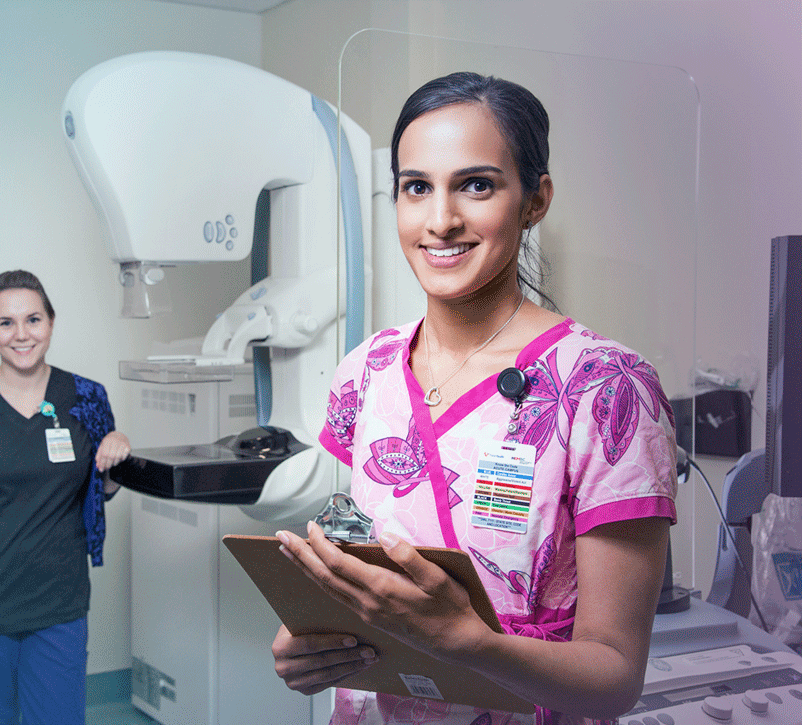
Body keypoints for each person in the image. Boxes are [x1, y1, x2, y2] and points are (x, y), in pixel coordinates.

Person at [270, 72, 677, 725]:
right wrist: (312, 644)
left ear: (534, 199)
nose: (440, 220)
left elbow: (612, 679)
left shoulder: (604, 387)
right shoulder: (366, 370)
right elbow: (361, 556)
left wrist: (469, 644)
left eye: (476, 184)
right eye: (416, 188)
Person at [0, 270, 132, 725]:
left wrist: (116, 460)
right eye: (6, 322)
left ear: (51, 322)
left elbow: (100, 493)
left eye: (33, 319)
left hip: (58, 603)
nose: (21, 334)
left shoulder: (87, 398)